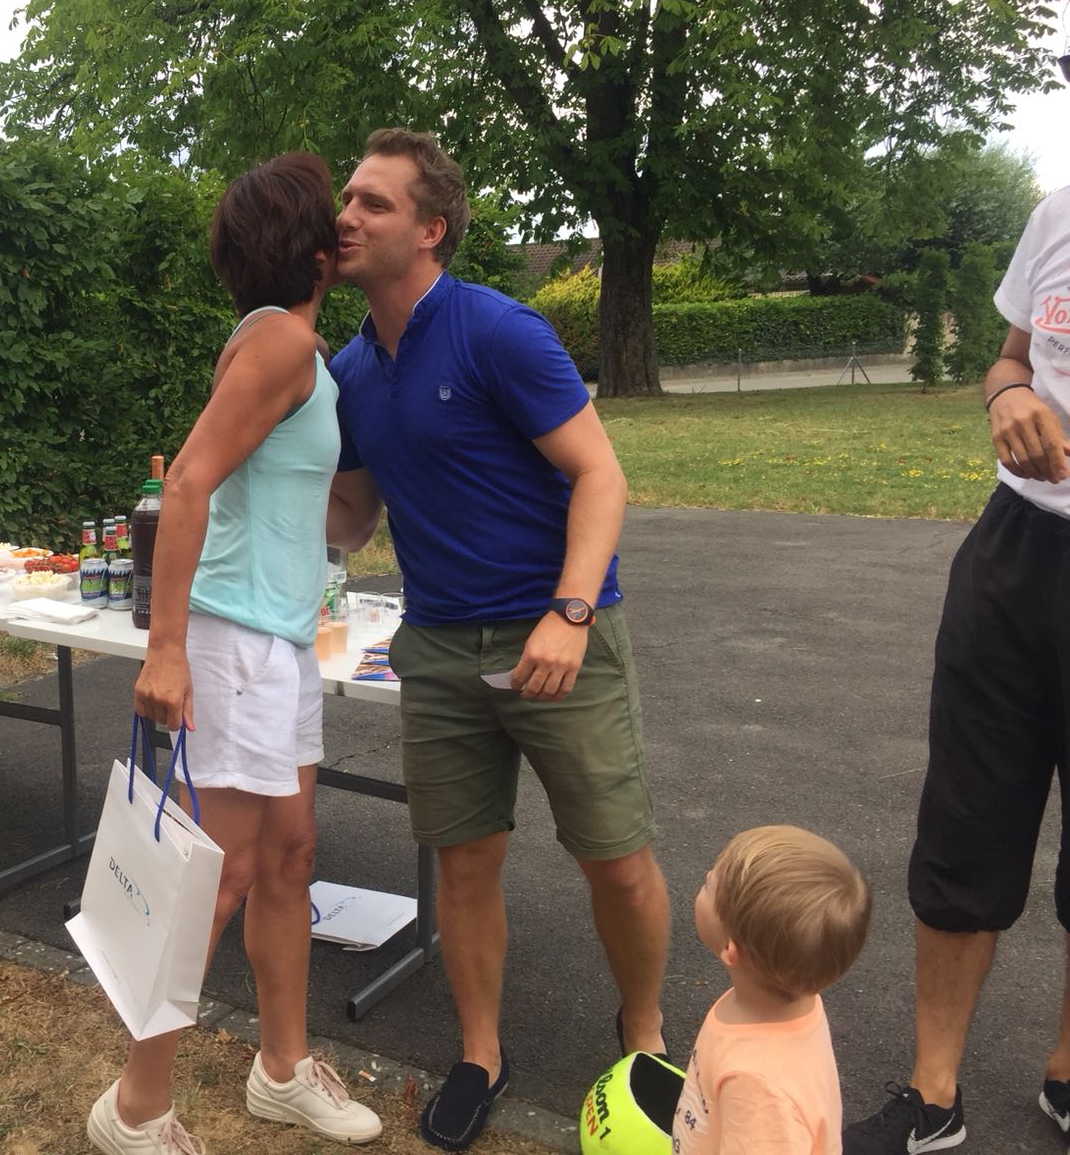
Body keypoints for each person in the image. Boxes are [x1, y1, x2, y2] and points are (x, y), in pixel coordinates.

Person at [325, 128, 671, 1151]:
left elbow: (600, 474)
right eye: (347, 198)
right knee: (463, 864)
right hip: (435, 646)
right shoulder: (349, 368)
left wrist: (570, 613)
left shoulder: (497, 331)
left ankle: (645, 1036)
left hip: (556, 635)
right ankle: (480, 1054)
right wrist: (257, 486)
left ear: (431, 228)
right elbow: (352, 520)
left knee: (614, 859)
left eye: (373, 202)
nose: (346, 215)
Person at [85, 151, 382, 1154]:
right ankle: (134, 1109)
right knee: (217, 875)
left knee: (289, 859)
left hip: (278, 643)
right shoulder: (280, 345)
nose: (347, 224)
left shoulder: (298, 348)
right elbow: (186, 484)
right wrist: (166, 649)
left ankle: (282, 1071)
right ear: (308, 248)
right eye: (333, 212)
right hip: (231, 642)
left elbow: (334, 516)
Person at [844, 187, 1070, 1153]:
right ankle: (932, 1096)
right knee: (965, 826)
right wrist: (1006, 391)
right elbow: (1012, 357)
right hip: (1015, 550)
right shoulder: (1058, 215)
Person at [674, 826, 871, 1154]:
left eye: (711, 885)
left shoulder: (758, 1091)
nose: (706, 875)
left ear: (731, 950)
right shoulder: (789, 997)